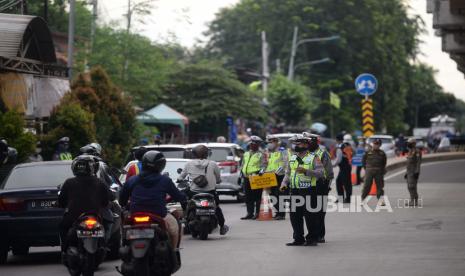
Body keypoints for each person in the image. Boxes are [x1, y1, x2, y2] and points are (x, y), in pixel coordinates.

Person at [119, 151, 187, 249]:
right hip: (159, 215)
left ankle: (125, 245)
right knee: (174, 228)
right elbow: (178, 196)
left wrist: (125, 204)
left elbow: (122, 198)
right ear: (161, 165)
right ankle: (173, 252)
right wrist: (183, 197)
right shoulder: (165, 180)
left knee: (125, 231)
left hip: (135, 214)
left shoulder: (132, 180)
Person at [58, 155, 111, 254]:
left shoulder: (69, 182)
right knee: (106, 224)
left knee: (63, 227)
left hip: (74, 217)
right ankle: (104, 244)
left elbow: (61, 201)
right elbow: (106, 200)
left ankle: (64, 249)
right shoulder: (99, 182)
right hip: (95, 216)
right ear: (91, 168)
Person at [280, 135, 325, 246]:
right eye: (295, 143)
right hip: (295, 190)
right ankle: (298, 239)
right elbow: (288, 173)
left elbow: (320, 173)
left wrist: (306, 171)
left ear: (305, 144)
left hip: (309, 190)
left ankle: (312, 239)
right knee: (295, 215)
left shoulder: (314, 157)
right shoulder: (293, 158)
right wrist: (284, 183)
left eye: (298, 143)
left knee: (310, 216)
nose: (296, 145)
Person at [178, 145, 229, 235]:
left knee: (183, 198)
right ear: (207, 154)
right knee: (216, 207)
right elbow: (218, 178)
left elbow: (181, 176)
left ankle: (185, 217)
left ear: (194, 154)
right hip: (210, 192)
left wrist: (179, 179)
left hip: (194, 192)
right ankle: (222, 226)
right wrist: (217, 181)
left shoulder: (188, 164)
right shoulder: (213, 164)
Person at [304, 132, 334, 243]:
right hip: (307, 185)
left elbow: (329, 172)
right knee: (310, 212)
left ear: (315, 142)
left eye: (310, 142)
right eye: (307, 142)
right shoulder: (305, 154)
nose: (308, 144)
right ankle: (312, 234)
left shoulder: (322, 153)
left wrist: (327, 186)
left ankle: (320, 235)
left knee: (320, 212)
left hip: (321, 185)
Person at [240, 136, 267, 220]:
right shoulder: (246, 153)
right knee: (248, 196)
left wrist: (260, 172)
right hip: (246, 177)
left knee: (257, 197)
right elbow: (243, 164)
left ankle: (257, 213)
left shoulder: (261, 154)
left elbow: (264, 165)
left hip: (256, 177)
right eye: (251, 143)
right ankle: (249, 213)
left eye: (254, 144)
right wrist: (242, 173)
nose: (251, 145)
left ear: (258, 145)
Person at [265, 135, 287, 220]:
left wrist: (277, 171)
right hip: (270, 176)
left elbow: (285, 162)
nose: (269, 144)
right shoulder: (270, 153)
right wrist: (264, 171)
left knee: (280, 195)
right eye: (269, 142)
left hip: (280, 176)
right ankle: (277, 212)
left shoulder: (283, 151)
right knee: (272, 194)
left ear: (276, 142)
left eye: (271, 142)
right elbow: (268, 164)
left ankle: (282, 214)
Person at [361, 138, 387, 205]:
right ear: (373, 144)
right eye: (375, 144)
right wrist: (366, 169)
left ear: (380, 145)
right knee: (367, 185)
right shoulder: (368, 152)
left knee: (380, 186)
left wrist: (382, 169)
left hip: (379, 171)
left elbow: (384, 162)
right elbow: (363, 161)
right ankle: (363, 199)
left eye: (378, 144)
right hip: (369, 170)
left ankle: (380, 200)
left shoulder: (382, 153)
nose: (376, 145)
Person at [332, 134, 352, 203]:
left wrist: (333, 165)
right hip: (347, 166)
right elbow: (353, 153)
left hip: (344, 167)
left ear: (337, 140)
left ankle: (347, 199)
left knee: (344, 183)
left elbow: (339, 160)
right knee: (341, 182)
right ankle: (343, 198)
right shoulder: (346, 146)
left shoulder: (339, 148)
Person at [404, 138, 422, 206]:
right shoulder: (410, 151)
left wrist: (417, 172)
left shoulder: (417, 151)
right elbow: (408, 163)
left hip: (413, 171)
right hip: (409, 171)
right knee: (409, 186)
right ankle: (413, 200)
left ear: (414, 143)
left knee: (412, 186)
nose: (408, 144)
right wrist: (406, 173)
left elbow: (418, 162)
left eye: (409, 143)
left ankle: (414, 201)